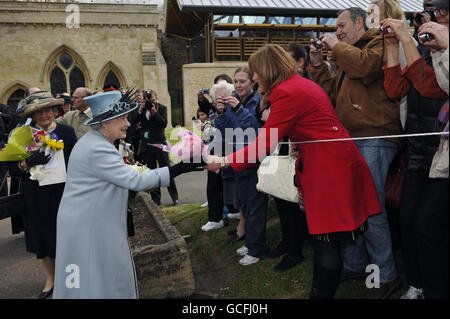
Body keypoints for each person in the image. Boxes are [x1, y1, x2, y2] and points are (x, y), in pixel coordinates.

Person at [206, 44, 381, 298]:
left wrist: (222, 161)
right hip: (330, 166)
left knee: (326, 242)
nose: (254, 78)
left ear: (266, 70)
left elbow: (262, 145)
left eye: (255, 72)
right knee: (327, 241)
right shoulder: (296, 86)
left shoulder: (288, 92)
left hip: (330, 171)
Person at [53, 90, 204, 299]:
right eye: (122, 118)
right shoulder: (97, 148)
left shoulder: (98, 142)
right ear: (105, 122)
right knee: (90, 279)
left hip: (89, 222)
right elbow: (135, 180)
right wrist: (179, 168)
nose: (128, 123)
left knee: (99, 275)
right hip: (87, 226)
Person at [310, 7, 401, 298]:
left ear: (360, 22)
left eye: (341, 25)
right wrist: (319, 66)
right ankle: (357, 265)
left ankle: (386, 275)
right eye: (335, 28)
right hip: (352, 139)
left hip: (375, 135)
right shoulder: (349, 53)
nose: (336, 31)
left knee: (371, 207)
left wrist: (336, 47)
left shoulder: (376, 42)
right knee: (353, 206)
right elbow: (331, 97)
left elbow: (366, 67)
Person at [381, 9, 448, 299]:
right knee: (409, 220)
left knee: (428, 225)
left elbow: (430, 84)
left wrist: (407, 40)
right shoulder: (424, 46)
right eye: (422, 13)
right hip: (418, 150)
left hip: (440, 153)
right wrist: (393, 46)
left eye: (435, 12)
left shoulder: (440, 49)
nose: (426, 19)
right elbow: (396, 88)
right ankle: (417, 283)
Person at [7, 91, 77, 299]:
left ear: (54, 111)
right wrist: (29, 162)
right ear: (33, 116)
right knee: (42, 237)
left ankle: (71, 280)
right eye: (38, 113)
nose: (44, 115)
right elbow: (13, 170)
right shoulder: (22, 135)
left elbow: (77, 162)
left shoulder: (67, 132)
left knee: (66, 236)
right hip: (36, 195)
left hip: (63, 192)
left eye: (47, 110)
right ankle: (50, 280)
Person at [260, 43, 309, 272]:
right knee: (280, 198)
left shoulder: (303, 86)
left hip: (295, 150)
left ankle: (295, 251)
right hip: (279, 147)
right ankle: (287, 242)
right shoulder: (278, 87)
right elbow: (264, 117)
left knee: (292, 202)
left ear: (299, 62)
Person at [214, 67, 268, 266]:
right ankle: (251, 242)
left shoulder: (258, 100)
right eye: (235, 81)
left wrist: (238, 109)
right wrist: (220, 113)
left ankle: (257, 248)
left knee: (255, 206)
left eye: (242, 81)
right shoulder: (233, 99)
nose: (238, 85)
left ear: (253, 83)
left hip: (255, 160)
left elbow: (256, 129)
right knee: (244, 204)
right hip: (238, 159)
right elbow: (226, 130)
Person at [135, 90, 179, 207]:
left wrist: (154, 111)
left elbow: (163, 124)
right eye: (147, 100)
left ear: (156, 99)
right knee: (152, 174)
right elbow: (134, 122)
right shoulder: (142, 109)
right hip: (147, 146)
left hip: (160, 144)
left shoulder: (162, 108)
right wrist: (140, 110)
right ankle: (156, 201)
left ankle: (175, 198)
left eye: (152, 100)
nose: (150, 102)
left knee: (167, 171)